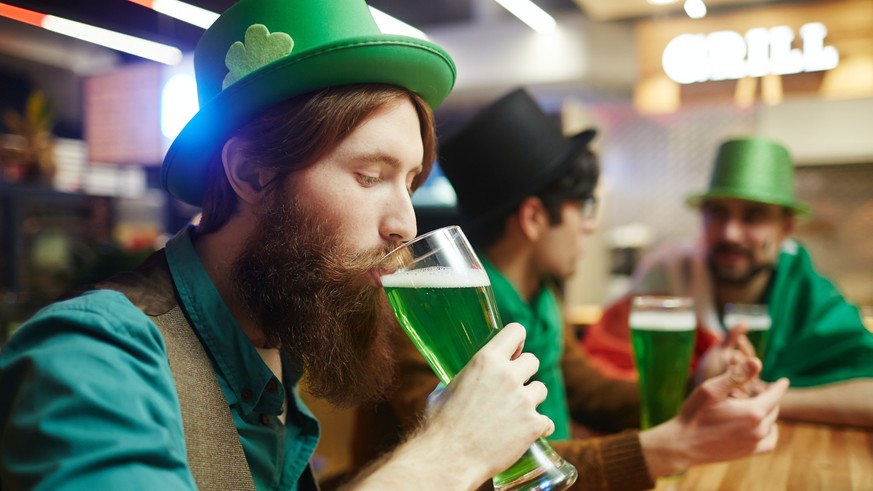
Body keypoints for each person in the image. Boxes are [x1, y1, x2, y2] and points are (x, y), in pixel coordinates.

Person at [0, 2, 557, 489]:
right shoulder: (92, 357)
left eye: (409, 183)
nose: (405, 225)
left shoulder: (276, 344)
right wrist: (449, 453)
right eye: (369, 175)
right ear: (251, 173)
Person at [351, 88, 789, 490]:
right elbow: (480, 461)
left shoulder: (540, 297)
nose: (591, 225)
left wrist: (695, 381)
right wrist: (662, 448)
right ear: (535, 218)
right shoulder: (429, 312)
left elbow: (589, 391)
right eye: (584, 207)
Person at [583, 136, 873, 428]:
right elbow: (595, 379)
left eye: (753, 217)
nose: (730, 234)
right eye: (717, 214)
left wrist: (762, 395)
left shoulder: (806, 291)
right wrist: (698, 383)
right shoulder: (667, 273)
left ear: (786, 228)